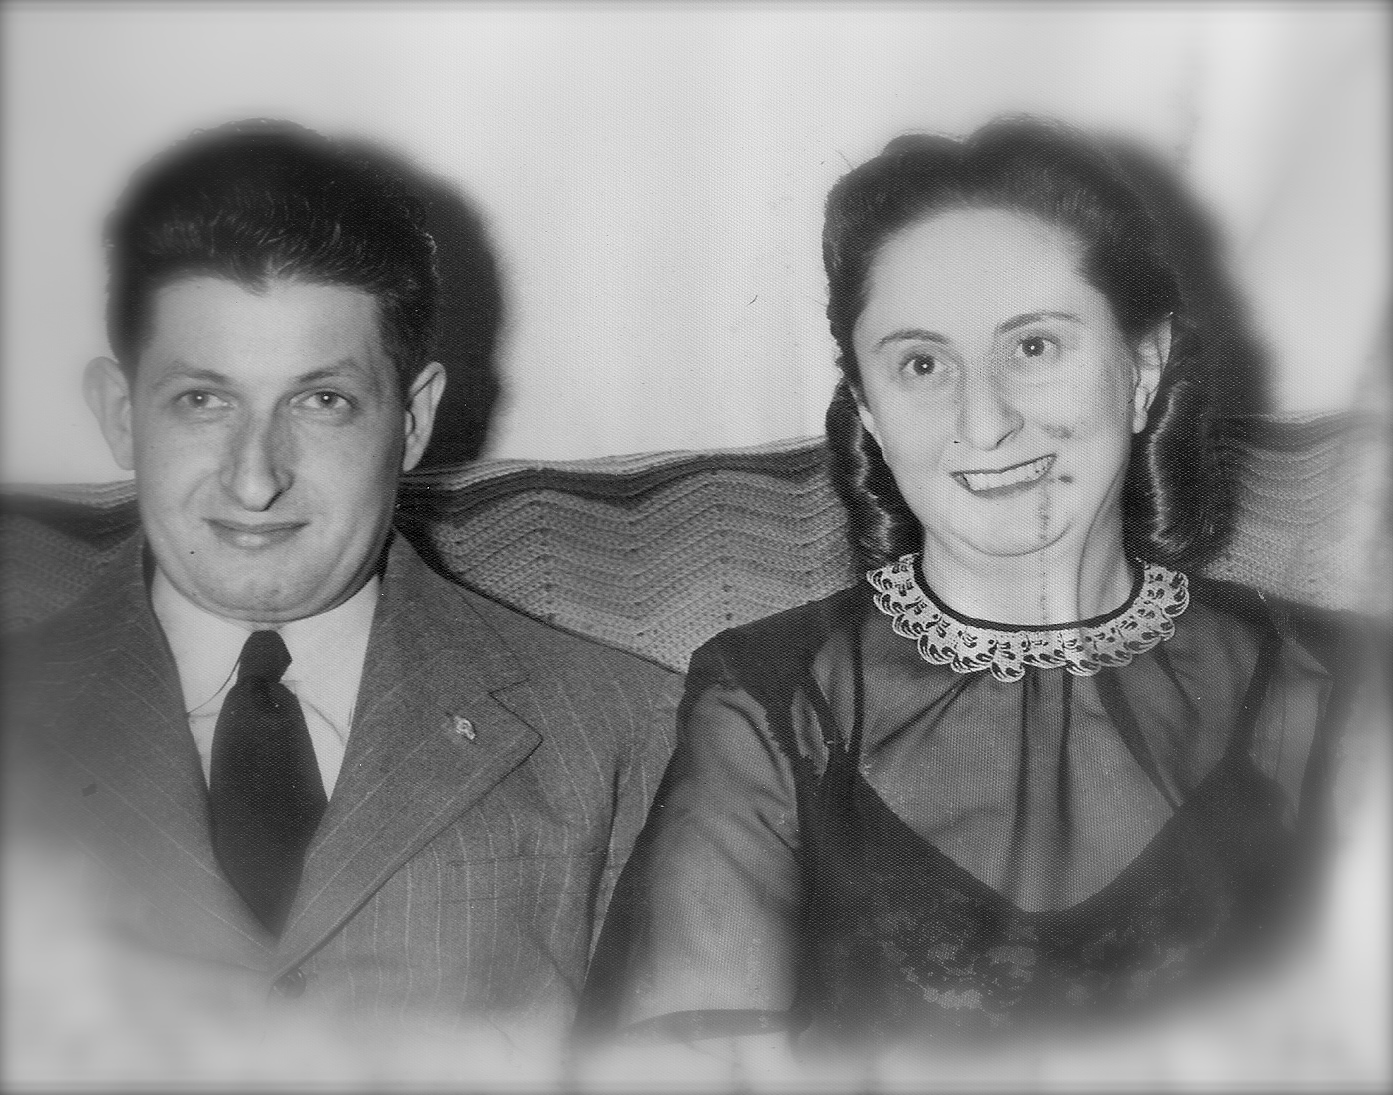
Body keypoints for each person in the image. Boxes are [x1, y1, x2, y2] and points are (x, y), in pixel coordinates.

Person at [579, 117, 1359, 1074]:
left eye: (1033, 346)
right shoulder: (769, 702)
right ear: (868, 408)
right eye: (920, 364)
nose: (982, 422)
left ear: (1142, 369)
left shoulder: (1327, 679)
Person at [1, 119, 681, 1082]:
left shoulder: (625, 731)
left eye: (321, 402)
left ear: (413, 420)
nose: (254, 479)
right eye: (203, 400)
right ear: (121, 413)